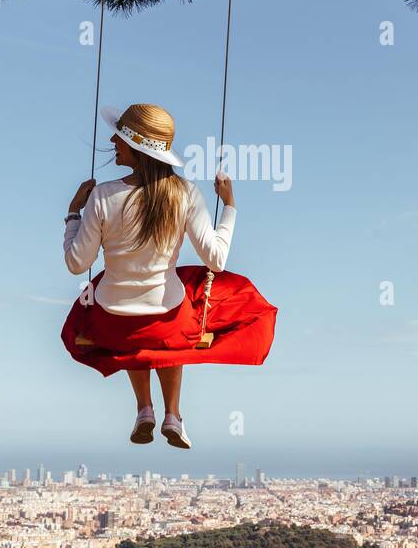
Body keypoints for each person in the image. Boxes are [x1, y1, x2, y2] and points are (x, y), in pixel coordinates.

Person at [61, 103, 276, 449]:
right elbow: (216, 260)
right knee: (178, 314)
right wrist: (230, 206)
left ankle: (144, 410)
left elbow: (76, 263)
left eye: (119, 136)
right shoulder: (185, 194)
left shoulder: (101, 196)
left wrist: (74, 212)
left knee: (126, 318)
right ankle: (172, 415)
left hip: (113, 321)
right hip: (166, 320)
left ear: (135, 145)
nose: (113, 141)